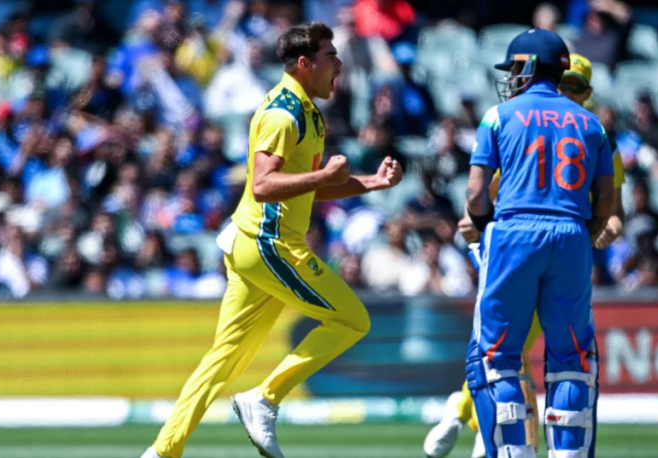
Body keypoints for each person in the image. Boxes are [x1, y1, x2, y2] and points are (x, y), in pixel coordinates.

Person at [139, 22, 403, 458]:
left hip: (253, 244)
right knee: (352, 320)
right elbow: (263, 185)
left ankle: (162, 451)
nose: (339, 64)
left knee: (222, 359)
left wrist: (370, 182)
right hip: (270, 244)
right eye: (330, 56)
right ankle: (265, 398)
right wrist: (324, 175)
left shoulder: (307, 110)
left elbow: (306, 188)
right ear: (304, 64)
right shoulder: (284, 114)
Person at [424, 52, 626, 458]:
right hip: (562, 248)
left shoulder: (520, 119)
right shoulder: (588, 129)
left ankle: (484, 427)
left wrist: (603, 230)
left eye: (575, 87)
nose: (567, 92)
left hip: (530, 249)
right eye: (563, 83)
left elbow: (614, 213)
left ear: (588, 91)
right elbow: (485, 197)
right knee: (552, 357)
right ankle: (477, 421)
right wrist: (588, 232)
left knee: (502, 354)